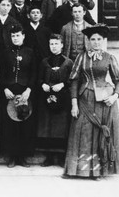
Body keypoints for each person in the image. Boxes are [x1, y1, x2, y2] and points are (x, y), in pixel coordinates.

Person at [64, 24, 119, 179]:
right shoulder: (81, 57)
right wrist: (74, 103)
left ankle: (98, 171)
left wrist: (115, 96)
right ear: (88, 41)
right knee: (81, 133)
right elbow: (74, 81)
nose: (96, 42)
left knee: (99, 135)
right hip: (85, 99)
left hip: (104, 102)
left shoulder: (109, 58)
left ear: (103, 41)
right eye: (93, 39)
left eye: (99, 39)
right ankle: (77, 170)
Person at [1, 25, 36, 168]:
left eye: (18, 35)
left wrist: (28, 90)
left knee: (24, 122)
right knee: (10, 125)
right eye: (13, 36)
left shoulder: (30, 52)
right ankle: (12, 157)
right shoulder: (5, 52)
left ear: (23, 36)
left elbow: (34, 72)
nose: (15, 38)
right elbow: (1, 72)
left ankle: (23, 157)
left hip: (24, 91)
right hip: (10, 91)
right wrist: (4, 88)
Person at [37, 34, 73, 167]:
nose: (54, 46)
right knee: (48, 127)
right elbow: (39, 78)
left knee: (61, 127)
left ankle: (61, 157)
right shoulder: (44, 62)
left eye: (56, 44)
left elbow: (73, 80)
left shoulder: (68, 62)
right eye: (51, 44)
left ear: (62, 45)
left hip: (62, 99)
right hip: (47, 99)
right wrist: (43, 84)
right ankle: (49, 157)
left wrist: (63, 84)